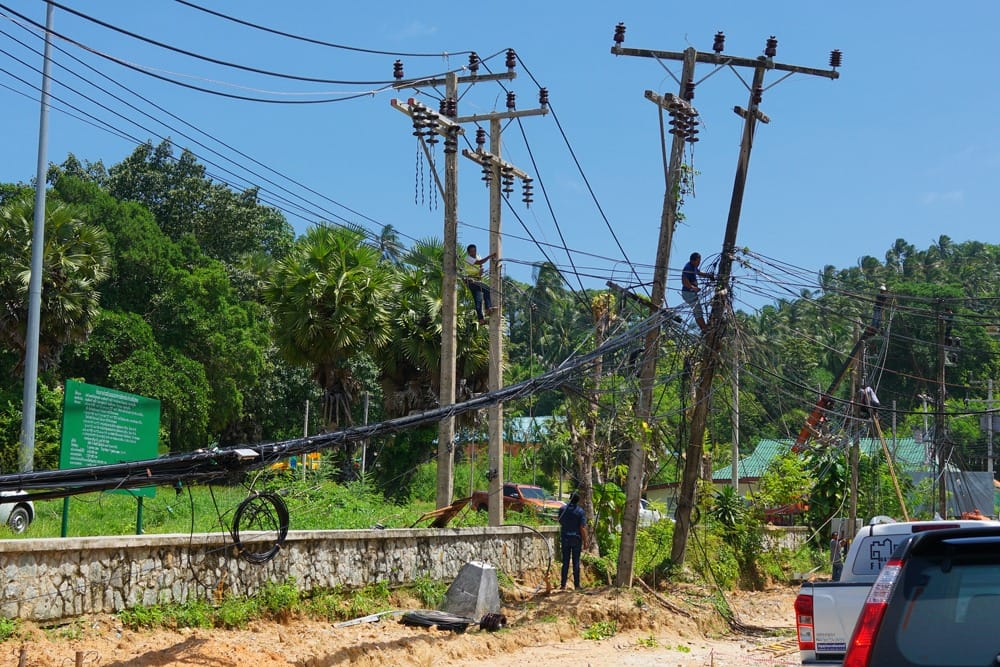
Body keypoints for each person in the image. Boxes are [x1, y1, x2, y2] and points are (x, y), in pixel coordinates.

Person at [557, 492, 588, 590]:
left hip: (565, 538)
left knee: (565, 562)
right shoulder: (580, 511)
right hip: (576, 539)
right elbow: (582, 527)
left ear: (570, 498)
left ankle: (563, 585)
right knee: (576, 562)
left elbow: (560, 521)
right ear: (578, 501)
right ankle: (577, 585)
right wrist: (585, 540)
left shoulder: (562, 509)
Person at [463, 244, 497, 325]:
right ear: (468, 252)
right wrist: (490, 256)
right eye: (471, 251)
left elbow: (480, 265)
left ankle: (481, 319)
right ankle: (488, 308)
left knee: (478, 301)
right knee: (487, 289)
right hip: (470, 280)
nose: (473, 253)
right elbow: (479, 262)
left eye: (474, 251)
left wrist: (480, 272)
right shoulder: (468, 258)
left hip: (476, 279)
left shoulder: (478, 256)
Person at [681, 252, 713, 332]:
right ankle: (704, 329)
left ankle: (704, 328)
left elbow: (699, 273)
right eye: (698, 262)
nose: (699, 263)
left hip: (691, 293)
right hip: (688, 293)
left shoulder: (693, 266)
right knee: (698, 311)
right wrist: (693, 288)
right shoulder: (688, 268)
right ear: (693, 260)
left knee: (698, 311)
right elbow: (684, 281)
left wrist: (708, 275)